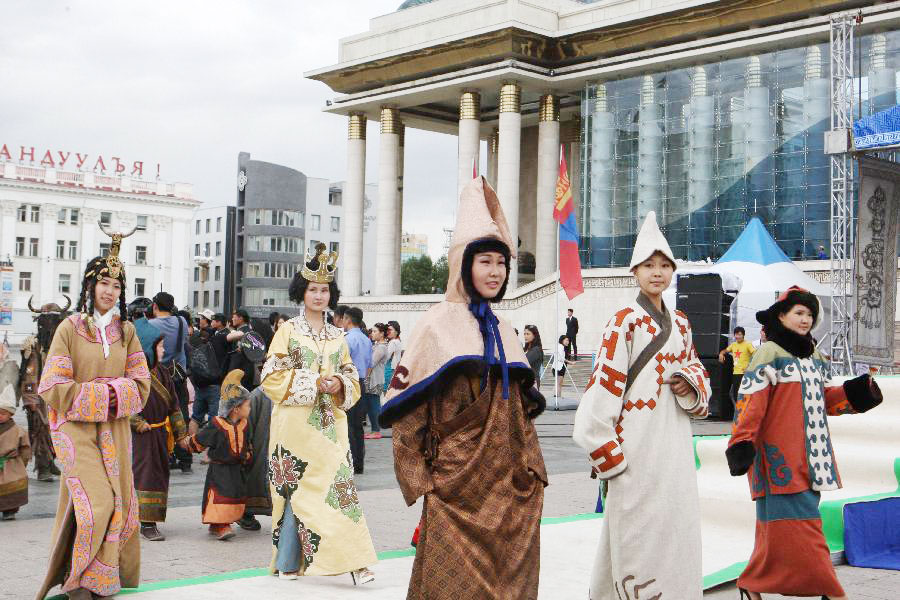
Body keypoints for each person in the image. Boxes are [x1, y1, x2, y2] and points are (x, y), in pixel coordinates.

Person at [379, 176, 547, 599]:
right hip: (454, 489)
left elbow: (520, 415)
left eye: (501, 262)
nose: (495, 271)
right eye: (485, 261)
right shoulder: (435, 326)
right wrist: (423, 482)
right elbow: (408, 417)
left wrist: (533, 472)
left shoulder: (505, 330)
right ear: (464, 265)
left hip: (508, 488)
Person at [572, 211, 710, 600]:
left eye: (664, 265)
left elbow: (698, 370)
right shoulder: (624, 322)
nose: (657, 273)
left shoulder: (681, 323)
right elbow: (603, 387)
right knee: (634, 535)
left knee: (674, 529)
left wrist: (689, 382)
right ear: (635, 271)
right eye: (649, 265)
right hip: (633, 446)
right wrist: (609, 455)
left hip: (674, 444)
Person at [726, 286, 882, 600]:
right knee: (804, 529)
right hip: (779, 458)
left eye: (810, 314)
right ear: (781, 316)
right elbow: (751, 402)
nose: (805, 319)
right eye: (799, 312)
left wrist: (856, 393)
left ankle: (752, 582)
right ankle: (832, 592)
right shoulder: (769, 354)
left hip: (813, 458)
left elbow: (823, 400)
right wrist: (741, 441)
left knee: (775, 529)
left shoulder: (815, 357)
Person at [35, 227, 152, 600]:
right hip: (74, 429)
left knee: (117, 503)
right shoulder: (69, 328)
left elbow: (142, 386)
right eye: (104, 283)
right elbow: (52, 385)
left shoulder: (126, 332)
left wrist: (105, 393)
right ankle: (75, 582)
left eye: (117, 286)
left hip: (114, 431)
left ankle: (98, 581)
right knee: (95, 504)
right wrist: (108, 392)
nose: (110, 291)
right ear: (90, 285)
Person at [261, 242, 376, 584]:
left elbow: (352, 376)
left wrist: (339, 383)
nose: (318, 295)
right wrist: (314, 383)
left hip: (330, 426)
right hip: (294, 426)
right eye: (313, 289)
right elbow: (271, 377)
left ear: (331, 295)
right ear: (302, 292)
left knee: (338, 490)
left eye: (324, 290)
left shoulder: (339, 336)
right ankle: (287, 561)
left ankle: (356, 561)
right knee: (296, 492)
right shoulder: (287, 331)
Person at [131, 318, 188, 542]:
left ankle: (151, 518)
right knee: (145, 476)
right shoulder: (133, 375)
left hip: (161, 434)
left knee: (160, 475)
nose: (164, 350)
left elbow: (174, 406)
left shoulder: (164, 373)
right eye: (160, 346)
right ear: (147, 348)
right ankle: (146, 522)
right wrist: (136, 422)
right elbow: (123, 406)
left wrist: (181, 435)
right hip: (142, 437)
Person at [180, 369, 253, 541]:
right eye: (247, 405)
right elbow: (201, 439)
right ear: (236, 408)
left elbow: (248, 443)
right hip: (220, 470)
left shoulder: (245, 424)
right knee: (221, 496)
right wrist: (188, 444)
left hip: (237, 469)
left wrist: (248, 455)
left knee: (234, 495)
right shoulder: (217, 424)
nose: (250, 408)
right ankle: (221, 525)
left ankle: (218, 524)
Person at [18, 298, 70, 481]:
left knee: (54, 431)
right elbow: (29, 375)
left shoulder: (61, 344)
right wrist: (31, 400)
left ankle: (50, 462)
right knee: (40, 430)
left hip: (56, 396)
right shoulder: (34, 346)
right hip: (39, 398)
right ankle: (42, 468)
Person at [149, 291, 192, 474]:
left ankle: (166, 454)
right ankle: (186, 457)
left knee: (159, 416)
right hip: (179, 375)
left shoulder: (150, 325)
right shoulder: (182, 321)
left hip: (159, 378)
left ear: (155, 306)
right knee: (181, 413)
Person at [238, 385, 273, 532]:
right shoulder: (260, 394)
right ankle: (244, 512)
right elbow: (245, 424)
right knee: (255, 477)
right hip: (262, 450)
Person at [342, 307, 372, 474]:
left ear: (348, 319)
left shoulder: (347, 339)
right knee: (358, 425)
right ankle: (359, 462)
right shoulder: (367, 340)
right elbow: (369, 365)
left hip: (348, 382)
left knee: (348, 425)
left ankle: (351, 461)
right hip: (360, 382)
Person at [0, 384, 31, 520]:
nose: (0, 416)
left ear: (10, 414)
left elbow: (25, 448)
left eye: (3, 413)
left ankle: (10, 510)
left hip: (11, 464)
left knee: (12, 487)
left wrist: (22, 463)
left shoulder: (18, 431)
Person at [364, 323, 389, 440]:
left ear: (382, 333)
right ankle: (375, 429)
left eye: (375, 331)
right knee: (371, 405)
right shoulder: (377, 345)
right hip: (373, 379)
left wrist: (365, 377)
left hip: (374, 380)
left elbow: (371, 363)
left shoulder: (381, 347)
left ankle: (376, 430)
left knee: (373, 405)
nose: (372, 333)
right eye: (372, 331)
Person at [719, 326, 755, 407]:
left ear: (743, 335)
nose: (738, 336)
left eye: (740, 334)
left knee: (745, 394)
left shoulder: (748, 344)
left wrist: (749, 366)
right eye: (736, 334)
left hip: (745, 374)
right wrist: (721, 354)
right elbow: (725, 350)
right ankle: (739, 411)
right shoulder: (733, 345)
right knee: (735, 394)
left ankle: (745, 411)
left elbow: (755, 354)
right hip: (736, 373)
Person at [226, 309, 256, 391]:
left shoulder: (245, 332)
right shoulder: (248, 331)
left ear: (241, 318)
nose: (232, 319)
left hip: (241, 373)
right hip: (244, 372)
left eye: (234, 317)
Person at [384, 320, 402, 385]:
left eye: (390, 330)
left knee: (386, 388)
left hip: (389, 369)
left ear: (396, 332)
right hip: (394, 369)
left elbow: (386, 357)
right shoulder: (398, 341)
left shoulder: (393, 342)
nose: (388, 332)